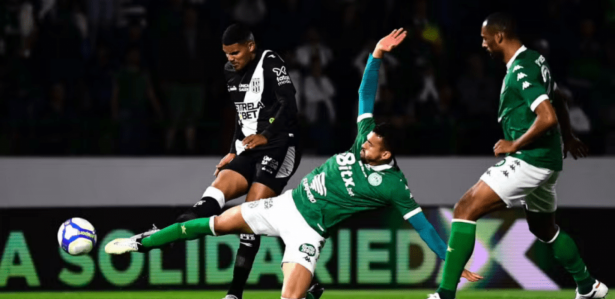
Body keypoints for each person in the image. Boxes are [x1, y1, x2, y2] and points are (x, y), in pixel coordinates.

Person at [106, 28, 483, 299]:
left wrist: (451, 264)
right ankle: (142, 243)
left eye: (370, 144)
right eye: (365, 139)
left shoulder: (393, 186)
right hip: (284, 207)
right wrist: (377, 55)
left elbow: (424, 227)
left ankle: (303, 291)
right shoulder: (363, 136)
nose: (363, 142)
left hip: (308, 234)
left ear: (386, 154)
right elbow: (364, 93)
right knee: (214, 223)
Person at [427, 13, 606, 299]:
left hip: (530, 158)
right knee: (544, 227)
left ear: (499, 36)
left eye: (485, 38)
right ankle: (589, 286)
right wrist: (568, 136)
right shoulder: (536, 60)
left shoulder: (521, 68)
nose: (483, 44)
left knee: (464, 208)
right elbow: (558, 98)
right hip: (548, 160)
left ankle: (445, 295)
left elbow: (546, 116)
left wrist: (514, 144)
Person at [131, 24, 303, 299]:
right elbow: (241, 114)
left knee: (250, 216)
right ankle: (165, 235)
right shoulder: (229, 72)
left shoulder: (270, 61)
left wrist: (266, 134)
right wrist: (232, 149)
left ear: (250, 46)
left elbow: (289, 105)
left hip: (280, 146)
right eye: (226, 54)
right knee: (211, 197)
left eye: (235, 52)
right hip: (247, 148)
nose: (230, 58)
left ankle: (234, 294)